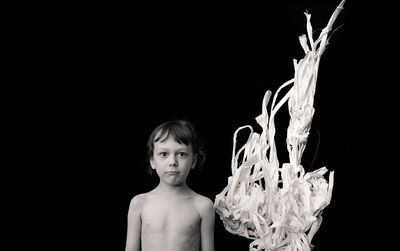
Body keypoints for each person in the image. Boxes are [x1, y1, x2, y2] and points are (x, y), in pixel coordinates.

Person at [124, 119, 215, 251]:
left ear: (193, 161)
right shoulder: (139, 203)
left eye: (181, 154)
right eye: (164, 154)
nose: (172, 162)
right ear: (152, 161)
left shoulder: (203, 206)